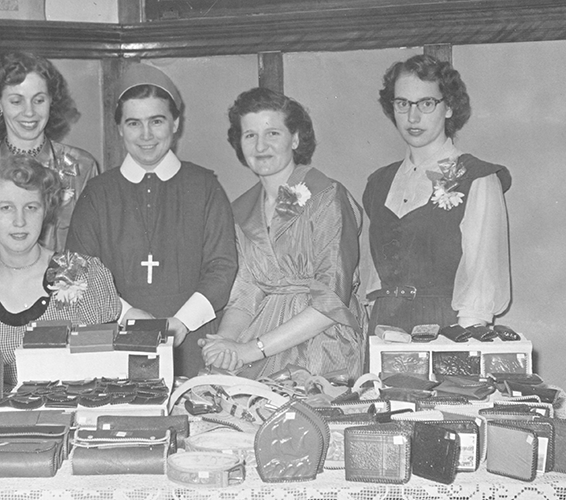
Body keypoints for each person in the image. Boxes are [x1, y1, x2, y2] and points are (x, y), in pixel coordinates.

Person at [66, 63, 238, 377]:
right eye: (134, 123)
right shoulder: (97, 193)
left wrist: (182, 323)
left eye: (156, 121)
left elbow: (222, 266)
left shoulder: (204, 187)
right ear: (119, 128)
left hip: (192, 342)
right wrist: (128, 315)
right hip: (115, 339)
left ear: (175, 123)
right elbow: (77, 273)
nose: (146, 135)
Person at [200, 87, 365, 379]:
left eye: (273, 133)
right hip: (259, 333)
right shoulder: (241, 209)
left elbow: (331, 300)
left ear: (296, 139)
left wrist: (252, 349)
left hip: (319, 341)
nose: (260, 145)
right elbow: (246, 291)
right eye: (250, 135)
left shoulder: (326, 196)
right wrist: (225, 344)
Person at [361, 54, 511, 335]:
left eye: (426, 103)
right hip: (383, 329)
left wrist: (464, 344)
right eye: (402, 103)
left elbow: (480, 281)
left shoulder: (476, 178)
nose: (412, 116)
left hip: (446, 330)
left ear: (449, 107)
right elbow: (372, 281)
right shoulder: (378, 183)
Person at [0, 155, 121, 385]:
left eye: (31, 208)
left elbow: (107, 372)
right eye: (6, 208)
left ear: (45, 211)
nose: (20, 221)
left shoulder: (81, 273)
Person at [0, 52, 98, 274]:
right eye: (16, 101)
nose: (29, 112)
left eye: (39, 100)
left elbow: (89, 254)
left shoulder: (82, 167)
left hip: (64, 296)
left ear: (51, 102)